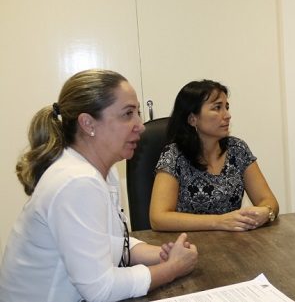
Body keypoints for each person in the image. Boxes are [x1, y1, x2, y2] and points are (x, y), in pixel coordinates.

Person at [0, 69, 198, 302]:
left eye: (138, 112)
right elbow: (100, 290)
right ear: (88, 123)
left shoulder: (101, 171)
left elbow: (104, 242)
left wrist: (160, 255)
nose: (140, 125)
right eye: (127, 114)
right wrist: (172, 268)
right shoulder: (77, 182)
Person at [149, 79, 279, 232]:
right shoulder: (174, 155)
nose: (227, 115)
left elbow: (269, 201)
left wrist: (266, 212)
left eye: (227, 107)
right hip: (187, 245)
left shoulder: (238, 149)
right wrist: (219, 222)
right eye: (217, 108)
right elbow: (158, 218)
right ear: (192, 119)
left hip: (234, 244)